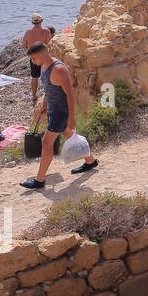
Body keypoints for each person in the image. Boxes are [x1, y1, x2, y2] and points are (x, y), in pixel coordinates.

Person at [20, 42, 98, 189]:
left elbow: (70, 94)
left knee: (46, 142)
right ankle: (90, 161)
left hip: (61, 112)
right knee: (70, 135)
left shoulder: (59, 69)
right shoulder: (45, 67)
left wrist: (72, 118)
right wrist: (44, 104)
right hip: (53, 110)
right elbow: (50, 89)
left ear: (42, 54)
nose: (32, 62)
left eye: (33, 58)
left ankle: (40, 180)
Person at [22, 14, 55, 102]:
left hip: (34, 58)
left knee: (35, 77)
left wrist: (31, 54)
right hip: (44, 56)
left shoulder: (28, 32)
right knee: (47, 75)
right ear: (41, 21)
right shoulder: (46, 31)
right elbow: (49, 44)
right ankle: (48, 94)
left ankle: (33, 96)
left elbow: (24, 46)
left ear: (32, 22)